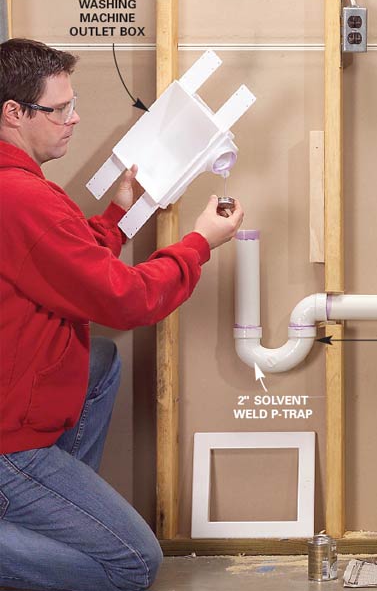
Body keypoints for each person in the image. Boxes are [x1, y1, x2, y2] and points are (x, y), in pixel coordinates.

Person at [0, 38, 244, 590]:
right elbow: (127, 299)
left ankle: (49, 508)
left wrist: (119, 212)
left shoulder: (21, 190)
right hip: (8, 441)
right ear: (14, 113)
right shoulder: (22, 199)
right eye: (59, 109)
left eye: (73, 102)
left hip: (11, 404)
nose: (74, 118)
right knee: (132, 565)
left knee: (100, 361)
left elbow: (64, 261)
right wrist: (199, 243)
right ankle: (23, 502)